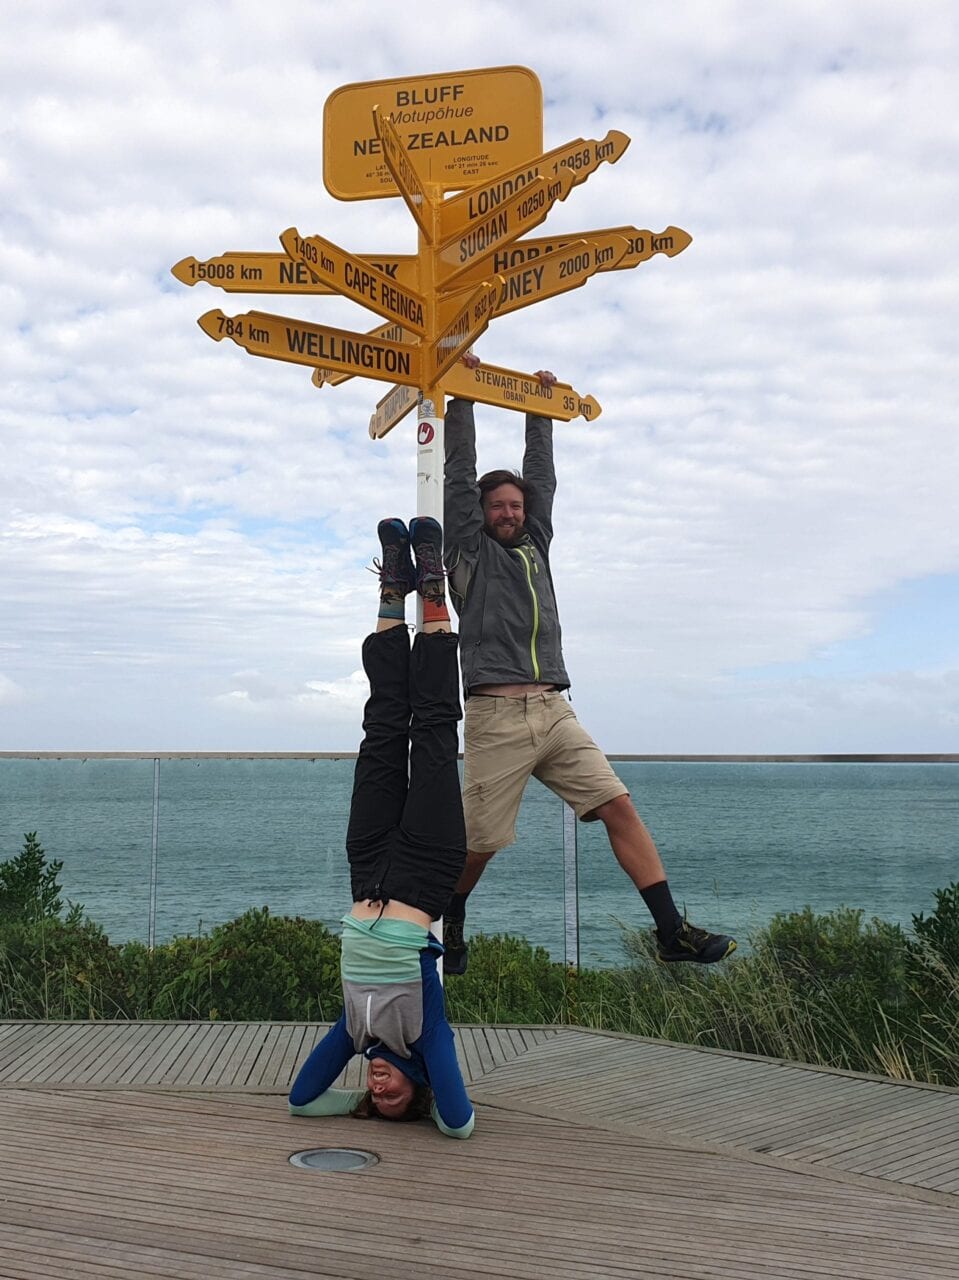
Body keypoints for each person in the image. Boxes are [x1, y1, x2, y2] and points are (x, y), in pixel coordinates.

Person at [441, 379, 736, 975]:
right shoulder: (469, 553)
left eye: (515, 506)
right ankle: (453, 915)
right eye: (497, 505)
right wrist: (464, 397)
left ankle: (670, 930)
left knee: (618, 806)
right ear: (480, 513)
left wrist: (537, 407)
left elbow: (542, 478)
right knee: (481, 842)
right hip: (497, 717)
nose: (509, 513)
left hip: (556, 711)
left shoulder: (537, 544)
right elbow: (456, 474)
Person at [287, 515, 474, 1138]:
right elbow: (458, 1122)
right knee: (435, 727)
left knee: (384, 726)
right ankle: (434, 585)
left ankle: (394, 582)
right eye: (393, 1099)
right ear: (417, 1083)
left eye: (377, 1100)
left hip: (366, 867)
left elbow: (301, 1099)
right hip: (425, 872)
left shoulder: (355, 1030)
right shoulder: (427, 1034)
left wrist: (356, 1106)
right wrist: (422, 1093)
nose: (379, 1090)